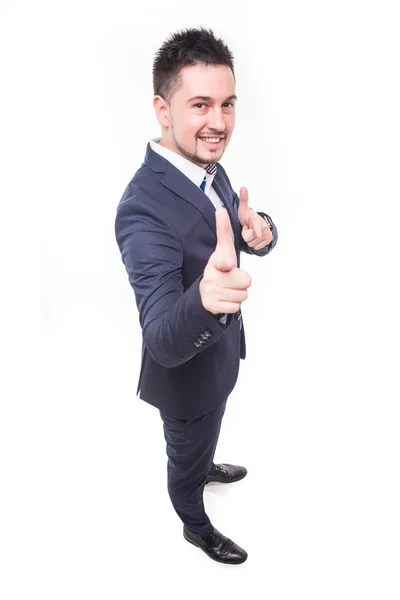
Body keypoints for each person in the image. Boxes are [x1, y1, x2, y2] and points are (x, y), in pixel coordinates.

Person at [115, 27, 278, 565]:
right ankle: (193, 517)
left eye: (227, 104)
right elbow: (161, 337)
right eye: (201, 105)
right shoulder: (140, 208)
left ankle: (203, 462)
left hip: (220, 359)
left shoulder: (210, 166)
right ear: (163, 109)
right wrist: (206, 299)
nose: (219, 123)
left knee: (213, 424)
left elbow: (230, 233)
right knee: (186, 453)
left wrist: (261, 232)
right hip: (184, 378)